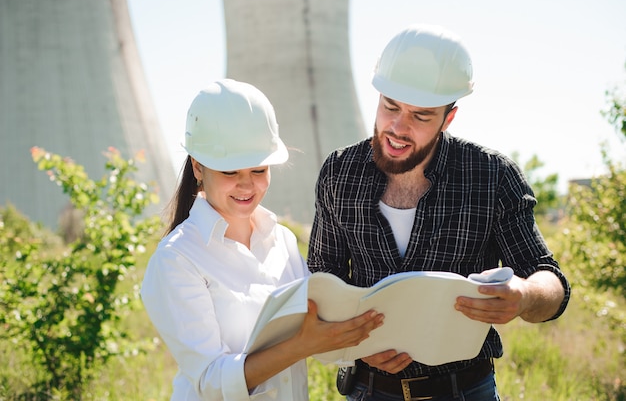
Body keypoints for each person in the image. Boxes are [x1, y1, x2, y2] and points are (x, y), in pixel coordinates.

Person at [307, 24, 571, 401]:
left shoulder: (492, 175)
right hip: (367, 389)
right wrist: (357, 342)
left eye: (420, 116)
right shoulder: (339, 171)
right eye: (390, 107)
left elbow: (552, 282)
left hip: (465, 390)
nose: (397, 127)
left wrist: (525, 296)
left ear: (449, 118)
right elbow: (321, 279)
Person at [141, 79, 384, 401]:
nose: (247, 187)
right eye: (230, 173)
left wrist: (365, 350)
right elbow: (211, 382)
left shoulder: (280, 239)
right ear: (198, 167)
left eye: (258, 171)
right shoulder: (177, 259)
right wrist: (301, 346)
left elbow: (316, 323)